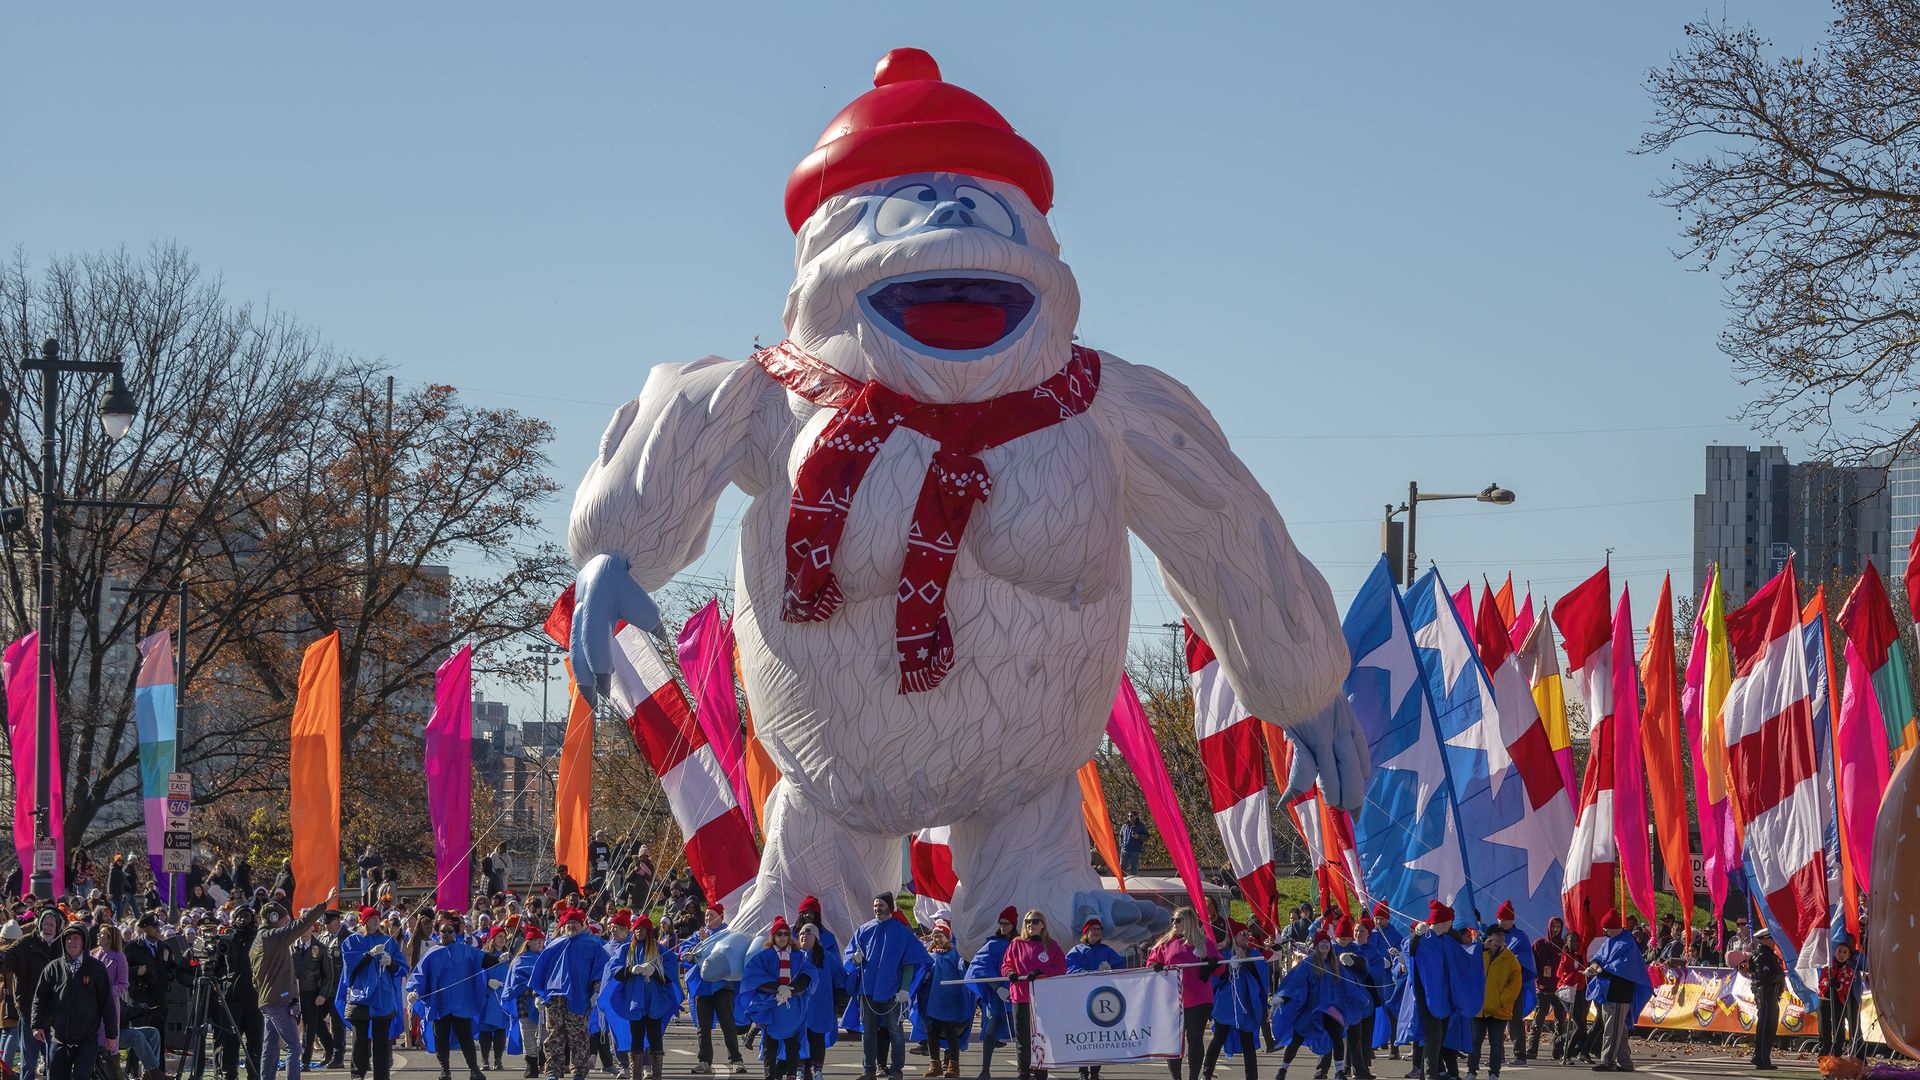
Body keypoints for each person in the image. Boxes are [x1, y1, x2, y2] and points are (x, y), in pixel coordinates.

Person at [252, 889, 335, 1080]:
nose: (287, 923)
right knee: (293, 1046)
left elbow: (255, 978)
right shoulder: (272, 937)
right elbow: (301, 924)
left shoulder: (259, 940)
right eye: (284, 920)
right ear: (274, 919)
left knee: (271, 1046)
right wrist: (324, 903)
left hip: (268, 999)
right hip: (278, 999)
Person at [846, 893, 930, 1080]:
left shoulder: (902, 932)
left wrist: (905, 988)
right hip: (867, 992)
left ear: (890, 907)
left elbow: (911, 962)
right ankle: (869, 1071)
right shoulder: (863, 930)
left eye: (881, 905)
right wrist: (854, 960)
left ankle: (897, 1070)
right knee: (868, 1033)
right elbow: (849, 960)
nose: (878, 909)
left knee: (896, 1032)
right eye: (876, 905)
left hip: (893, 993)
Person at [407, 911, 489, 1080]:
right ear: (438, 932)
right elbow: (420, 974)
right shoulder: (432, 953)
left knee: (466, 1037)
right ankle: (445, 1070)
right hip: (439, 1004)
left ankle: (474, 1069)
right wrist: (414, 990)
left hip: (460, 1004)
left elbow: (483, 959)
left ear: (456, 932)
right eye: (443, 931)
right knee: (441, 1038)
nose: (446, 934)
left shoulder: (465, 950)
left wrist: (499, 959)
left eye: (450, 931)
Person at [1273, 930, 1366, 1080]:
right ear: (1316, 946)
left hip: (1330, 1009)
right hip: (1311, 1009)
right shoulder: (1307, 964)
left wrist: (1359, 997)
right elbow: (1295, 983)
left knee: (1337, 1036)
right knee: (1297, 1039)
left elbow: (1347, 985)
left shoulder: (1335, 965)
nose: (1324, 944)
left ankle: (1339, 1071)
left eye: (1326, 942)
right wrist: (1283, 998)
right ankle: (1282, 1069)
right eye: (1321, 942)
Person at [33, 923, 114, 1080]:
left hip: (87, 1038)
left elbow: (107, 1002)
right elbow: (40, 998)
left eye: (76, 938)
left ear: (84, 942)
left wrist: (111, 1033)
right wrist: (37, 1024)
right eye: (68, 938)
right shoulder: (53, 968)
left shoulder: (96, 968)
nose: (72, 942)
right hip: (59, 1038)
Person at [1408, 902, 1479, 1080]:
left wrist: (1481, 946)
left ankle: (1428, 1074)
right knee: (1433, 1037)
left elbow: (1465, 953)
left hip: (1445, 997)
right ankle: (1430, 1075)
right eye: (1450, 921)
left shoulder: (1449, 938)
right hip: (1427, 997)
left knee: (1438, 1039)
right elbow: (1410, 951)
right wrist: (1417, 933)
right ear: (1444, 921)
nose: (1452, 924)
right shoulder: (1423, 938)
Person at [532, 907, 605, 1080]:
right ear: (563, 926)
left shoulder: (593, 944)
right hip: (554, 998)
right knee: (554, 1034)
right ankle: (552, 1070)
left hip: (579, 998)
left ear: (582, 925)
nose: (571, 925)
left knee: (578, 1035)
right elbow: (541, 970)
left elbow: (601, 969)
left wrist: (596, 991)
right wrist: (538, 994)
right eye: (568, 923)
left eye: (575, 923)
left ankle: (579, 1070)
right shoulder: (554, 944)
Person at [339, 905, 410, 1080]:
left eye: (378, 917)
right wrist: (368, 956)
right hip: (360, 998)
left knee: (382, 1044)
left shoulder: (389, 941)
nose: (376, 920)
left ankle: (382, 1077)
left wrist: (391, 963)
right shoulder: (353, 941)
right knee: (360, 1044)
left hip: (383, 997)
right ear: (364, 921)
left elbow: (402, 968)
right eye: (372, 918)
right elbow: (350, 969)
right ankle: (358, 1075)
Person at [1147, 908, 1220, 1080]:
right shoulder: (1166, 943)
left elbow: (1220, 968)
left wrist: (1213, 963)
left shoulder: (1204, 942)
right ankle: (1176, 1077)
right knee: (1173, 1041)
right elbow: (1150, 962)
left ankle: (1193, 1077)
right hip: (1172, 1000)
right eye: (1172, 919)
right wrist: (1155, 965)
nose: (1174, 923)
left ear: (1189, 921)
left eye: (1178, 920)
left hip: (1199, 1000)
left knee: (1195, 1039)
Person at [606, 914, 679, 1080]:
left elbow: (671, 974)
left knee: (655, 1036)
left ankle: (657, 1075)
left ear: (649, 931)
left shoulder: (659, 949)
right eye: (636, 929)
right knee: (636, 1037)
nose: (639, 932)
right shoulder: (626, 949)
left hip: (655, 1001)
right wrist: (629, 970)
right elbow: (613, 970)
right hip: (634, 1001)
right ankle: (635, 1075)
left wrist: (656, 972)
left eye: (642, 929)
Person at [743, 917, 815, 1080]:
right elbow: (754, 976)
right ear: (773, 936)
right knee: (770, 1046)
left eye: (786, 933)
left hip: (792, 1008)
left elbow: (808, 975)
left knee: (792, 1045)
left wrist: (791, 991)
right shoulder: (765, 956)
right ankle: (769, 1076)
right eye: (779, 934)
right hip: (772, 1007)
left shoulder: (800, 956)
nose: (783, 937)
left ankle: (791, 1075)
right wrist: (777, 989)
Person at [680, 904, 747, 1075]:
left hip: (723, 986)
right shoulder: (698, 934)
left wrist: (705, 943)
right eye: (706, 915)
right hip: (702, 988)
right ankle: (704, 1061)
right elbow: (684, 950)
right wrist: (690, 953)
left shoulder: (728, 934)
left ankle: (736, 1060)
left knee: (728, 1024)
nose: (708, 919)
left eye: (712, 915)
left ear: (721, 917)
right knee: (703, 1027)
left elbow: (732, 952)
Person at [1582, 910, 1650, 1074]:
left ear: (1613, 928)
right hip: (1609, 991)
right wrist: (1594, 965)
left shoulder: (1627, 943)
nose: (1604, 930)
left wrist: (1599, 970)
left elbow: (1621, 968)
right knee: (1619, 1030)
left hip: (1620, 993)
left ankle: (1608, 1062)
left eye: (1606, 928)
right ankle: (1625, 1063)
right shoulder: (1611, 941)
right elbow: (1599, 957)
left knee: (1612, 1030)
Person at [1001, 909, 1066, 1080]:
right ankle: (1023, 1074)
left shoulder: (1051, 946)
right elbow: (1006, 964)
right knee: (1023, 1040)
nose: (1031, 924)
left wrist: (1041, 972)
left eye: (1035, 921)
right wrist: (1010, 972)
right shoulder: (1017, 944)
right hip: (1021, 997)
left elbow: (1061, 968)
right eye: (1028, 921)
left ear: (1043, 924)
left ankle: (1040, 1073)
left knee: (1041, 1038)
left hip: (1042, 999)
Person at [4, 909, 67, 1080]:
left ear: (58, 927)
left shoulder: (63, 945)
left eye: (52, 924)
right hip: (29, 1014)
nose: (48, 927)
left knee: (54, 1063)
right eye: (45, 924)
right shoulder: (26, 943)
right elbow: (8, 957)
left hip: (55, 1016)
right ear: (39, 925)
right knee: (29, 1065)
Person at [1201, 923, 1269, 1080]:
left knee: (1248, 1041)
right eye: (1241, 933)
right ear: (1233, 936)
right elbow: (1216, 978)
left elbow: (1261, 975)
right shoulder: (1224, 954)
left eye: (1247, 933)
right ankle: (1206, 1073)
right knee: (1219, 1037)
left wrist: (1246, 961)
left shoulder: (1253, 953)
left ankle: (1252, 1077)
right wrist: (1228, 968)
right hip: (1226, 1003)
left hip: (1246, 1003)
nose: (1246, 936)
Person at [915, 919, 971, 1080]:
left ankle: (953, 1066)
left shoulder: (954, 953)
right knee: (931, 1032)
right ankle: (935, 1065)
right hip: (931, 1001)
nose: (937, 939)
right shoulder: (930, 954)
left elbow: (963, 968)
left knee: (951, 1033)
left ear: (947, 937)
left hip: (950, 1001)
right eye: (935, 936)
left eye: (940, 936)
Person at [964, 909, 1016, 1078]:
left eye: (1006, 923)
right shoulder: (992, 944)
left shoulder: (1019, 944)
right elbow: (980, 967)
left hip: (1017, 994)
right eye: (1001, 923)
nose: (1002, 927)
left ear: (1013, 925)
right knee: (990, 1030)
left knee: (1023, 1033)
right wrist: (997, 988)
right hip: (995, 997)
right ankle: (985, 1069)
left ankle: (1027, 1068)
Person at [1467, 928, 1519, 1080]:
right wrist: (1481, 947)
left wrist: (1500, 1001)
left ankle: (1494, 1073)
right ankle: (1471, 1071)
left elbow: (1515, 984)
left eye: (1503, 935)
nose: (1501, 938)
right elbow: (1466, 970)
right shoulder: (1478, 954)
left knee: (1496, 1043)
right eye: (1498, 935)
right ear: (1489, 937)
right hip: (1479, 1008)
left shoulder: (1510, 958)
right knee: (1475, 1041)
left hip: (1499, 1010)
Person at [503, 928, 548, 1079]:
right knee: (528, 1036)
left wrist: (542, 993)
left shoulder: (545, 958)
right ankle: (531, 1066)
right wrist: (534, 990)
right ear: (528, 943)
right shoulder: (519, 960)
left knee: (545, 1035)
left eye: (542, 941)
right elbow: (516, 983)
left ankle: (545, 1063)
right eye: (537, 941)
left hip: (544, 1003)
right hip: (525, 1002)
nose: (540, 943)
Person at [293, 920, 338, 1071]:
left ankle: (305, 1060)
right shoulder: (291, 947)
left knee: (310, 1027)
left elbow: (328, 974)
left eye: (307, 927)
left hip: (312, 993)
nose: (304, 931)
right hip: (294, 992)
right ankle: (329, 1046)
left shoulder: (320, 948)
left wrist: (323, 994)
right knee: (302, 1025)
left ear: (312, 928)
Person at [1526, 918, 1567, 1063]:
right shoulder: (1539, 944)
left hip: (1559, 990)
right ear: (1549, 926)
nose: (1555, 928)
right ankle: (1532, 1051)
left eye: (1558, 926)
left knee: (1560, 1023)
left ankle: (1558, 1052)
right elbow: (1532, 963)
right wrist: (1537, 978)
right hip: (1543, 989)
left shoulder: (1564, 945)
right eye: (1553, 926)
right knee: (1538, 1022)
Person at [1818, 933, 1862, 1058]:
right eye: (1839, 951)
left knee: (1839, 1030)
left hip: (1839, 1002)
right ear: (1835, 952)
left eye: (1844, 952)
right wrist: (1828, 982)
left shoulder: (1849, 971)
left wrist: (1838, 985)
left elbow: (1846, 989)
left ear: (1848, 955)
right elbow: (1821, 981)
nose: (1841, 954)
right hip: (1824, 1000)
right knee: (1824, 1030)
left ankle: (1837, 1056)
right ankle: (1824, 1057)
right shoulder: (1828, 966)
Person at [1746, 929, 1783, 1071]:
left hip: (1771, 994)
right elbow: (1765, 977)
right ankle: (1761, 1058)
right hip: (1766, 993)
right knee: (1766, 1026)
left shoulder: (1767, 954)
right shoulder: (1763, 956)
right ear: (1763, 940)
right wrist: (1779, 977)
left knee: (1769, 1027)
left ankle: (1761, 1057)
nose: (1773, 941)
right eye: (1770, 938)